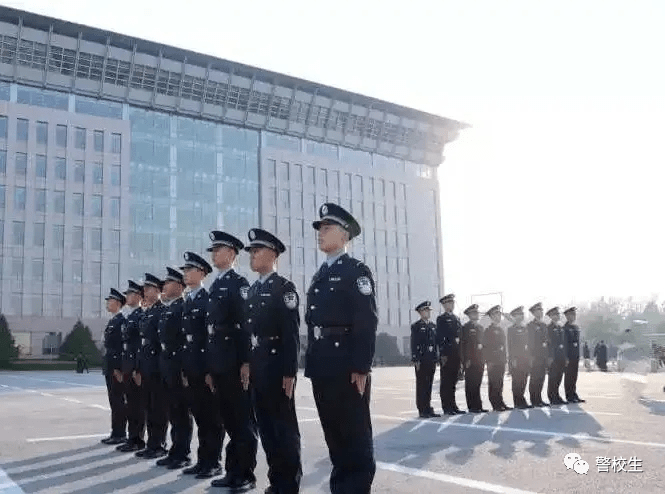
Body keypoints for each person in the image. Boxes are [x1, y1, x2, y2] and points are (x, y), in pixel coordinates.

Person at [305, 203, 378, 494]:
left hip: (347, 365)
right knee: (334, 435)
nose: (320, 234)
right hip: (323, 364)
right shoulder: (320, 274)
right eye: (319, 229)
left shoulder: (356, 271)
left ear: (344, 235)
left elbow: (366, 320)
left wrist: (361, 366)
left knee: (354, 436)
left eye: (326, 228)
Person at [245, 228, 302, 493]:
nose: (253, 256)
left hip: (278, 368)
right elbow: (250, 333)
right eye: (251, 252)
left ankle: (289, 484)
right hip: (259, 368)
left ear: (273, 254)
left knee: (284, 430)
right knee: (266, 430)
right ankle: (276, 480)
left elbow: (291, 335)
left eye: (257, 251)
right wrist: (247, 364)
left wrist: (290, 373)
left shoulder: (284, 288)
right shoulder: (254, 289)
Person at [206, 231, 258, 489]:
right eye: (213, 250)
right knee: (228, 420)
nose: (214, 254)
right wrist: (210, 367)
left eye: (218, 250)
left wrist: (247, 362)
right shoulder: (215, 285)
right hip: (219, 362)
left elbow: (247, 326)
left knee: (242, 421)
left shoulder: (239, 284)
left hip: (235, 362)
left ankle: (246, 474)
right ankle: (232, 471)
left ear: (232, 253)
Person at [179, 252, 222, 479]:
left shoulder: (207, 299)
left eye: (190, 270)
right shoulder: (189, 300)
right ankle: (203, 460)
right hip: (191, 366)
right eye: (185, 271)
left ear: (202, 273)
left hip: (204, 367)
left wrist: (209, 370)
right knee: (199, 416)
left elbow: (209, 338)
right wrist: (186, 370)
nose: (185, 274)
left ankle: (213, 462)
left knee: (211, 418)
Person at [156, 267, 191, 470]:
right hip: (167, 365)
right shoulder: (169, 308)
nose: (164, 287)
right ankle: (175, 451)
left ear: (178, 287)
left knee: (181, 412)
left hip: (178, 366)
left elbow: (183, 340)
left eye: (168, 283)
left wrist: (184, 369)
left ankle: (182, 453)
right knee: (173, 412)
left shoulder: (183, 307)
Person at [135, 274, 168, 460]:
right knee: (148, 406)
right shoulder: (147, 313)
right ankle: (151, 443)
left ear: (157, 290)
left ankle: (159, 444)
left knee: (158, 408)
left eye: (148, 289)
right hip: (146, 366)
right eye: (144, 289)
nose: (145, 292)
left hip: (156, 366)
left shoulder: (162, 311)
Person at [117, 280, 146, 453]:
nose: (127, 297)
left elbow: (138, 345)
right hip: (127, 365)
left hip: (134, 367)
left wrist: (136, 368)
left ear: (138, 296)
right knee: (130, 405)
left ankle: (138, 439)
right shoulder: (130, 316)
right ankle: (131, 437)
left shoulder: (141, 315)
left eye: (130, 294)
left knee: (137, 405)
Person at [101, 288, 128, 445]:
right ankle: (115, 432)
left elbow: (120, 346)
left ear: (118, 303)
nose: (107, 303)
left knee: (118, 401)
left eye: (110, 300)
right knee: (114, 400)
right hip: (110, 366)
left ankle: (120, 433)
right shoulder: (113, 321)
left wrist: (118, 368)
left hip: (116, 367)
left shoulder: (121, 321)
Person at [437, 294, 465, 415]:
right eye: (449, 303)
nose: (451, 305)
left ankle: (453, 405)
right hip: (447, 354)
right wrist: (443, 354)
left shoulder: (456, 318)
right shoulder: (441, 319)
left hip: (456, 354)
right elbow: (440, 337)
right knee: (446, 382)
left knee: (453, 381)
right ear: (444, 305)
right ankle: (446, 407)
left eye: (452, 303)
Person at [410, 301, 439, 418]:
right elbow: (414, 343)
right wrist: (415, 358)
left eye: (429, 310)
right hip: (421, 360)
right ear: (421, 312)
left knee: (429, 385)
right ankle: (422, 409)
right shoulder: (416, 326)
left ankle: (428, 407)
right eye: (426, 310)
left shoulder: (433, 326)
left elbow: (435, 343)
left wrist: (436, 358)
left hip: (431, 359)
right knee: (422, 384)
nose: (428, 312)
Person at [483, 305, 511, 412]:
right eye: (495, 314)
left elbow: (503, 346)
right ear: (491, 316)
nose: (498, 316)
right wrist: (489, 361)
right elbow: (486, 348)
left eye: (499, 314)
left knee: (500, 382)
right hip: (492, 361)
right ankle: (495, 403)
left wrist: (505, 359)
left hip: (500, 360)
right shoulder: (488, 331)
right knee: (493, 382)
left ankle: (500, 401)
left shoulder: (501, 329)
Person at [460, 304, 486, 413]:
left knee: (478, 383)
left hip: (480, 360)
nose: (476, 314)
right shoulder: (466, 328)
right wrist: (464, 360)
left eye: (477, 312)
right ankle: (472, 406)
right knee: (470, 384)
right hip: (470, 361)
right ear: (469, 315)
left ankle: (478, 405)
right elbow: (462, 345)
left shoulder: (480, 327)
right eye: (474, 313)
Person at [507, 306, 532, 409]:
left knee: (523, 380)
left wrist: (530, 358)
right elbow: (510, 345)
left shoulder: (525, 328)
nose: (521, 316)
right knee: (516, 381)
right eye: (518, 314)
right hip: (516, 359)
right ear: (514, 316)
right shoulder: (511, 329)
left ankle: (522, 400)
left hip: (525, 358)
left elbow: (529, 344)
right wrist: (512, 359)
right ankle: (517, 402)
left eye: (522, 314)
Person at [527, 302, 549, 407]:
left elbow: (547, 341)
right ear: (534, 313)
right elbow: (530, 342)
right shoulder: (530, 326)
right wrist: (531, 356)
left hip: (543, 356)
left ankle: (539, 398)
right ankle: (534, 400)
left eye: (541, 310)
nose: (540, 312)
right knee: (534, 378)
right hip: (535, 356)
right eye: (538, 310)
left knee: (541, 378)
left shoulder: (545, 325)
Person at [563, 307, 585, 403]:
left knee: (574, 376)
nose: (573, 317)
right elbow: (565, 344)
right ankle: (569, 396)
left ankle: (574, 393)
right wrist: (566, 357)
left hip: (575, 355)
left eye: (574, 315)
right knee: (568, 376)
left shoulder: (576, 327)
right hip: (569, 356)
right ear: (567, 316)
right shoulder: (565, 328)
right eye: (571, 315)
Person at [546, 307, 568, 405]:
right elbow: (549, 344)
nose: (557, 316)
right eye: (555, 314)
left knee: (559, 377)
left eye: (558, 314)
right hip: (553, 357)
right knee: (553, 378)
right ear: (550, 316)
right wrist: (549, 357)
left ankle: (557, 395)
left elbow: (564, 343)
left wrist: (565, 357)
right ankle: (552, 397)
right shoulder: (549, 328)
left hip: (561, 356)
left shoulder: (560, 327)